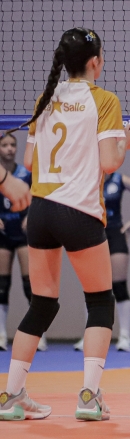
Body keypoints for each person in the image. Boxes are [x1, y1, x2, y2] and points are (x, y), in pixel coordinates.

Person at [0, 28, 130, 422]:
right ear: (95, 61)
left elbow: (29, 162)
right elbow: (110, 162)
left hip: (42, 211)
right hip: (79, 211)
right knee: (100, 301)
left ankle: (11, 396)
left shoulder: (45, 98)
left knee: (43, 303)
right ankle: (89, 398)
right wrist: (127, 142)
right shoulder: (105, 100)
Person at [72, 171, 130, 352]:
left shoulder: (120, 179)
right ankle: (89, 336)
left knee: (119, 286)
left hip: (116, 234)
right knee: (92, 287)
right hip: (93, 235)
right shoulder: (87, 178)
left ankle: (125, 336)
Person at [0, 133, 33, 352]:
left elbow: (38, 196)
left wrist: (31, 215)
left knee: (30, 285)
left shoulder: (25, 174)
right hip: (3, 234)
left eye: (13, 144)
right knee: (2, 287)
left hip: (22, 234)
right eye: (5, 145)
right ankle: (1, 335)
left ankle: (38, 334)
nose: (10, 148)